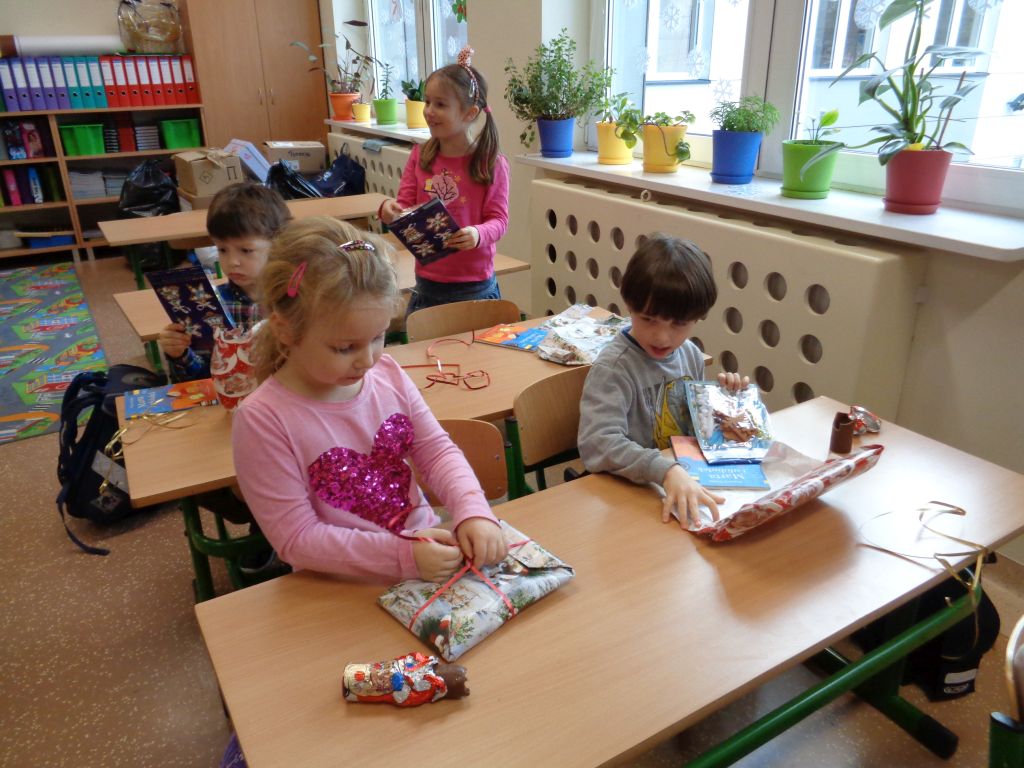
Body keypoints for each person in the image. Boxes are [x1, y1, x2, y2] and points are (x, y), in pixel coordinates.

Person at [231, 216, 508, 583]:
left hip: (424, 560)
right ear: (284, 329)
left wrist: (473, 510)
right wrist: (403, 555)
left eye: (379, 337)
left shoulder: (387, 373)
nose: (367, 360)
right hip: (339, 585)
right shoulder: (263, 419)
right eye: (345, 347)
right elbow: (296, 538)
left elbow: (436, 451)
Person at [577, 234, 749, 527]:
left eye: (679, 324)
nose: (662, 337)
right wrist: (666, 470)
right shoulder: (614, 368)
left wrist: (724, 404)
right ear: (629, 305)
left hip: (675, 487)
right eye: (649, 319)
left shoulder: (690, 354)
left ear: (697, 318)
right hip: (628, 496)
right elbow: (598, 444)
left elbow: (695, 429)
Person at [377, 46, 510, 314]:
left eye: (440, 104)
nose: (429, 111)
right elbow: (404, 207)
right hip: (428, 284)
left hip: (475, 286)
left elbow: (499, 220)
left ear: (470, 113)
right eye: (427, 102)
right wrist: (388, 210)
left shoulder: (491, 163)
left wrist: (477, 234)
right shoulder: (420, 156)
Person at [158, 182, 291, 382]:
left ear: (278, 244)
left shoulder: (293, 301)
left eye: (246, 250)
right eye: (222, 249)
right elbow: (202, 376)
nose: (232, 262)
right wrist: (180, 354)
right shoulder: (211, 305)